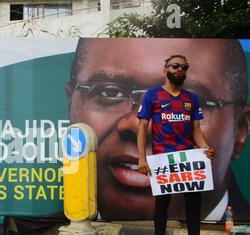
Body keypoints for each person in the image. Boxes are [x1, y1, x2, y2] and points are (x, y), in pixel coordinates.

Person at [67, 38, 249, 223]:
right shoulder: (41, 231)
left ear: (240, 130)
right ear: (69, 104)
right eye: (110, 93)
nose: (140, 126)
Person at [136, 54, 215, 235]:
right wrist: (142, 157)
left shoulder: (191, 99)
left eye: (184, 67)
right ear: (165, 70)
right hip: (163, 159)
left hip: (188, 159)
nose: (180, 69)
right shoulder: (152, 96)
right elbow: (143, 127)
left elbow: (196, 130)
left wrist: (205, 149)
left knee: (193, 204)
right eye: (176, 66)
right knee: (162, 205)